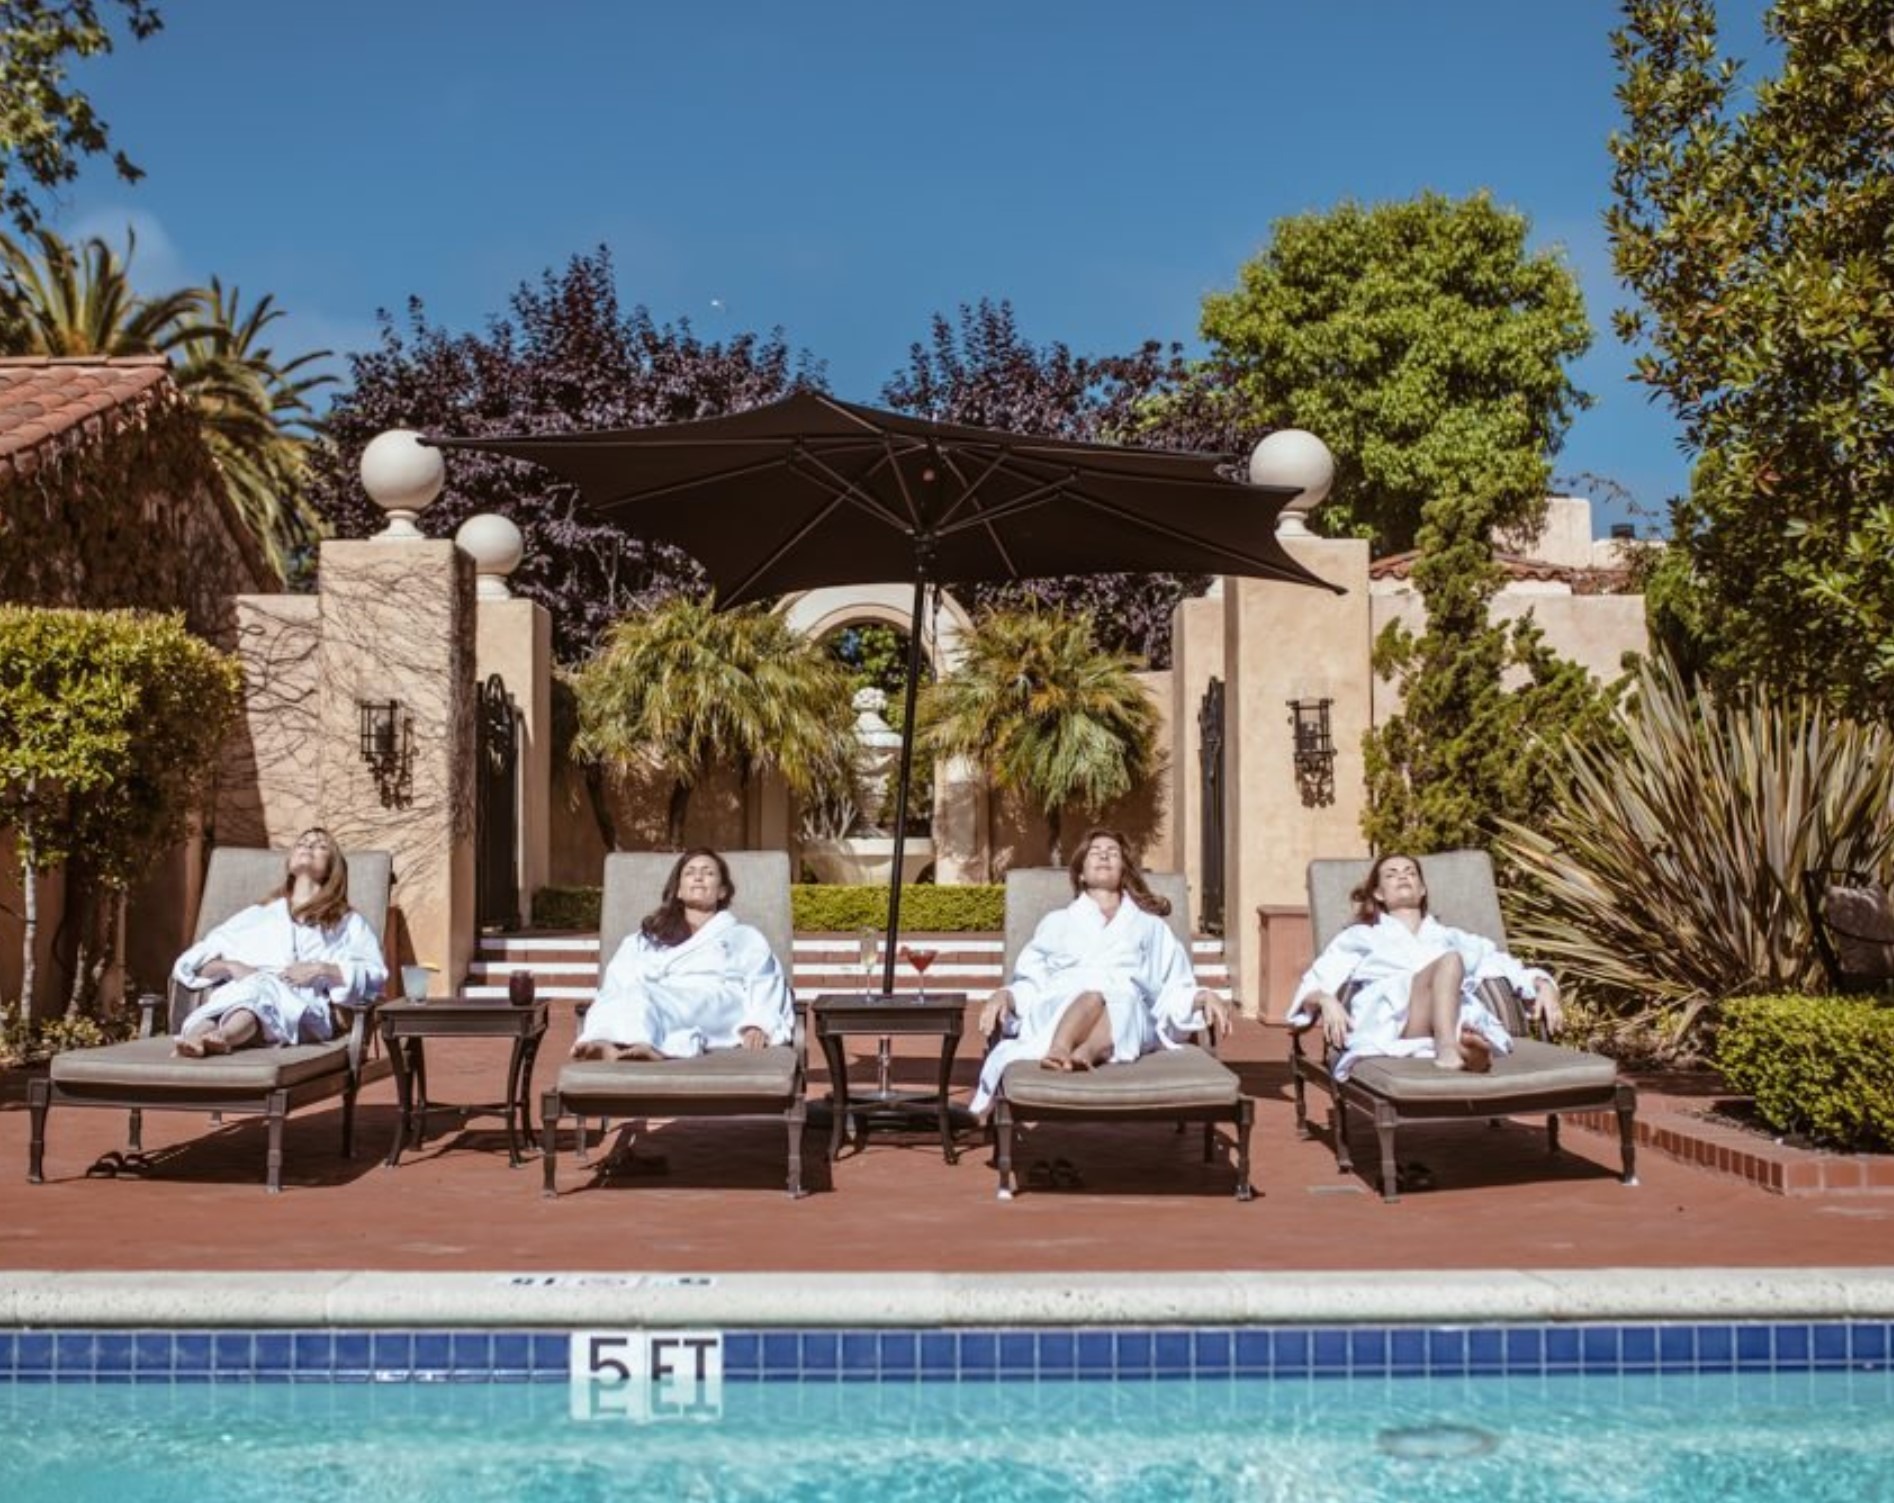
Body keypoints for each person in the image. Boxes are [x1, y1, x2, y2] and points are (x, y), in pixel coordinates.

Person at [971, 828, 1232, 1115]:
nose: (1105, 854)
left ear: (1124, 871)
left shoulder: (1150, 927)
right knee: (1094, 994)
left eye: (1113, 852)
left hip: (1130, 1016)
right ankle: (1061, 1048)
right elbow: (1032, 982)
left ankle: (1086, 1052)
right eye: (1095, 851)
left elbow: (1174, 985)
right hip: (1063, 1006)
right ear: (1081, 874)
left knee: (1123, 998)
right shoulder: (1056, 922)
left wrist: (1203, 996)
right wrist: (1005, 996)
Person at [1288, 852, 1562, 1078]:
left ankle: (1468, 1052)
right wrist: (1326, 999)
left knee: (1453, 963)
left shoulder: (1451, 936)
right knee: (1451, 961)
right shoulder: (1359, 936)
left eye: (1410, 872)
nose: (1403, 876)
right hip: (1396, 1021)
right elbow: (1314, 981)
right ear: (1379, 894)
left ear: (1422, 889)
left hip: (1448, 1016)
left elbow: (1505, 965)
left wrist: (1543, 984)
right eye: (1391, 874)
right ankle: (1450, 1050)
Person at [173, 828, 387, 1057]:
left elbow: (374, 974)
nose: (308, 846)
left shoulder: (346, 922)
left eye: (321, 846)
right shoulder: (257, 916)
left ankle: (223, 1037)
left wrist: (321, 969)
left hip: (303, 1010)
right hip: (242, 994)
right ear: (290, 861)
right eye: (302, 843)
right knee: (237, 998)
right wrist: (230, 966)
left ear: (331, 868)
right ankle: (197, 1038)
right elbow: (192, 964)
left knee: (258, 995)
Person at [571, 849, 793, 1061]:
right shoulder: (648, 937)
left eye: (708, 873)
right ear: (678, 890)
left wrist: (759, 1023)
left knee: (646, 996)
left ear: (722, 891)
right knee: (624, 993)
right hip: (654, 994)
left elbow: (765, 979)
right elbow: (619, 978)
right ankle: (605, 1042)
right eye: (690, 873)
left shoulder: (744, 936)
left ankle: (647, 1042)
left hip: (714, 1000)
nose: (698, 877)